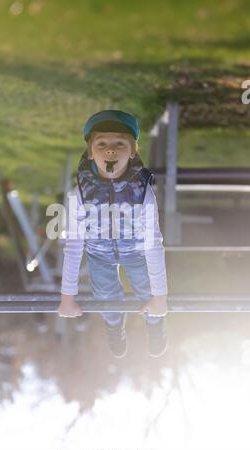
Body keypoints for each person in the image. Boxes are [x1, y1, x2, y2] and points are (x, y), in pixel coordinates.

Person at [57, 110, 168, 358]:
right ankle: (114, 326)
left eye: (119, 143)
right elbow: (73, 246)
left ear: (132, 151)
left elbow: (153, 245)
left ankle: (155, 324)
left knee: (146, 290)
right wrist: (67, 297)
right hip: (99, 255)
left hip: (137, 252)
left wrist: (160, 297)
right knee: (106, 296)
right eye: (102, 143)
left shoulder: (143, 192)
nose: (110, 150)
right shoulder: (79, 194)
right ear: (90, 152)